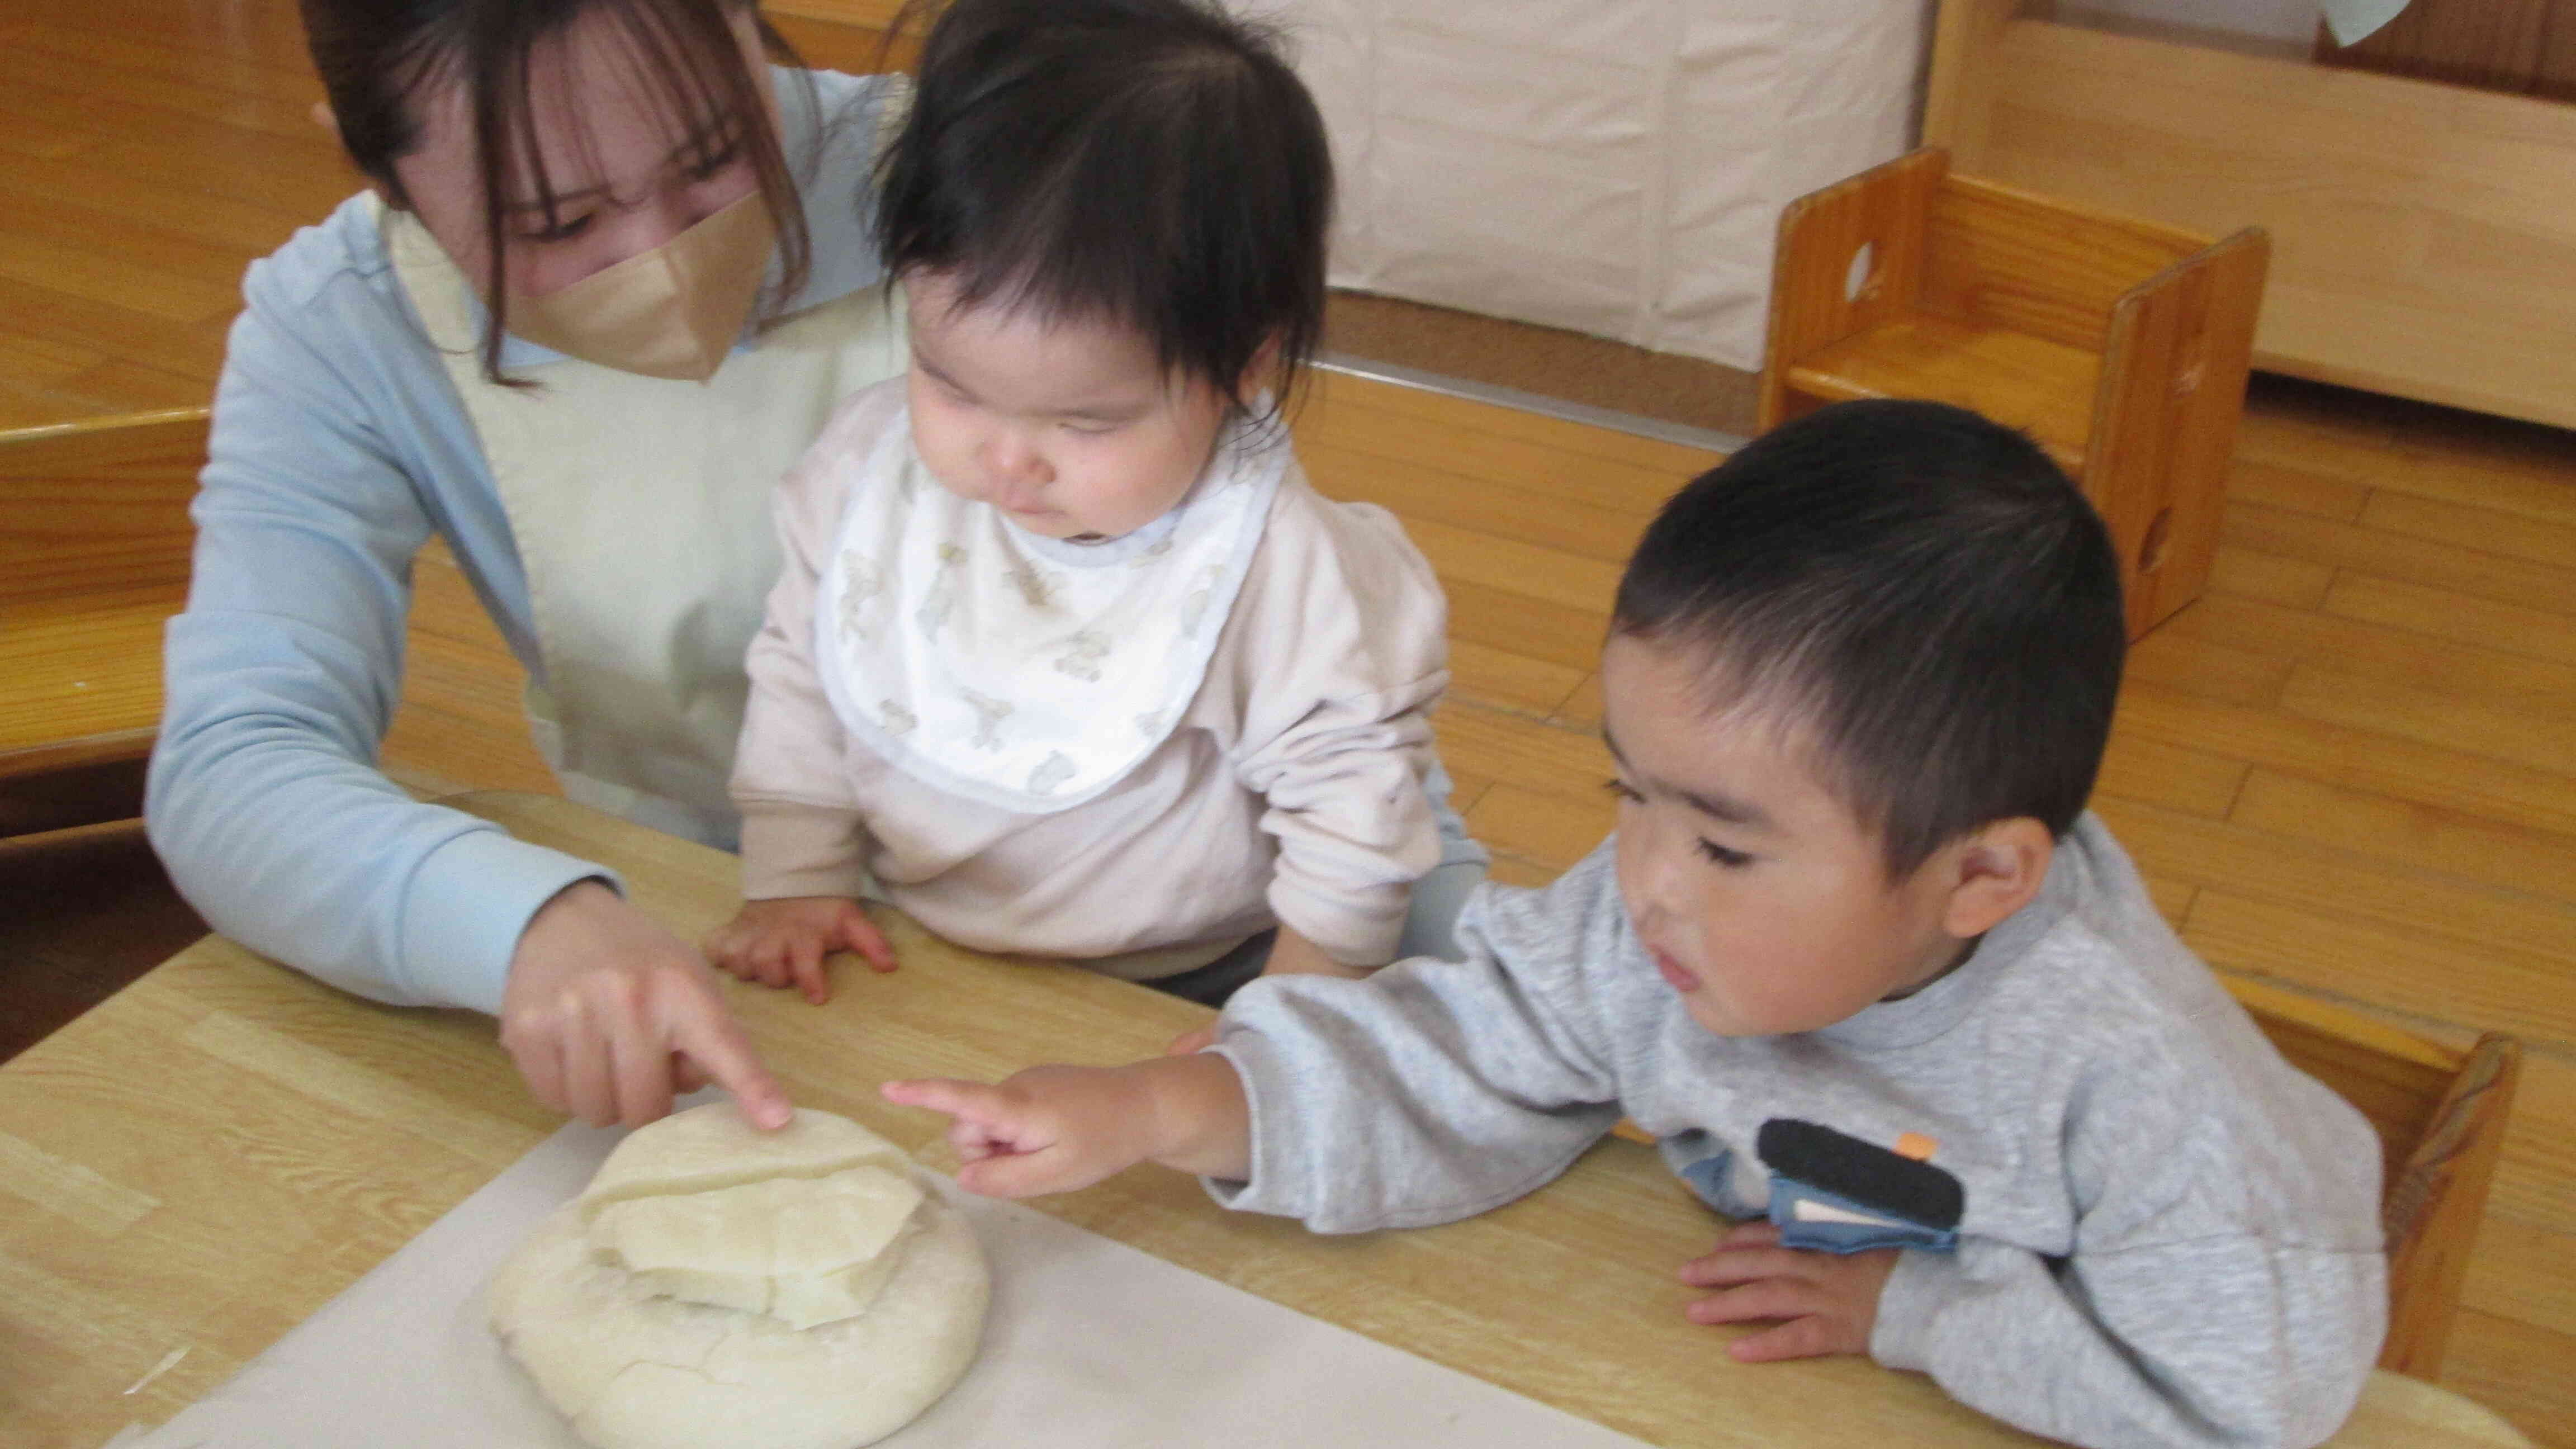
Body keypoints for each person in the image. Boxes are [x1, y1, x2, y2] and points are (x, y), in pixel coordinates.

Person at [882, 400, 2391, 1449]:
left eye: (1727, 843)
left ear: (1980, 883)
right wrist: (1160, 1104)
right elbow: (1462, 1053)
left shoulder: (2138, 1089)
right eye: (1630, 795)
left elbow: (2247, 1384)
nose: (1646, 881)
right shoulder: (1649, 926)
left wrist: (1913, 1312)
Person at [144, 0, 1486, 1131]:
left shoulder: (1010, 191)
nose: (661, 253)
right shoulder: (343, 329)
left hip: (1166, 982)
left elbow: (1336, 740)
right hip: (737, 951)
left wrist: (1404, 997)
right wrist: (522, 921)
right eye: (555, 222)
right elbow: (234, 765)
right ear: (381, 176)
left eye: (716, 151)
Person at [701, 0, 1461, 1007]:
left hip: (1206, 977)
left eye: (1086, 423)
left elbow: (1356, 822)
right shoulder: (865, 477)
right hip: (906, 940)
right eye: (952, 385)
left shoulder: (1280, 566)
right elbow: (806, 670)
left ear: (1246, 363)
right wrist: (795, 877)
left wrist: (1289, 1030)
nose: (1007, 460)